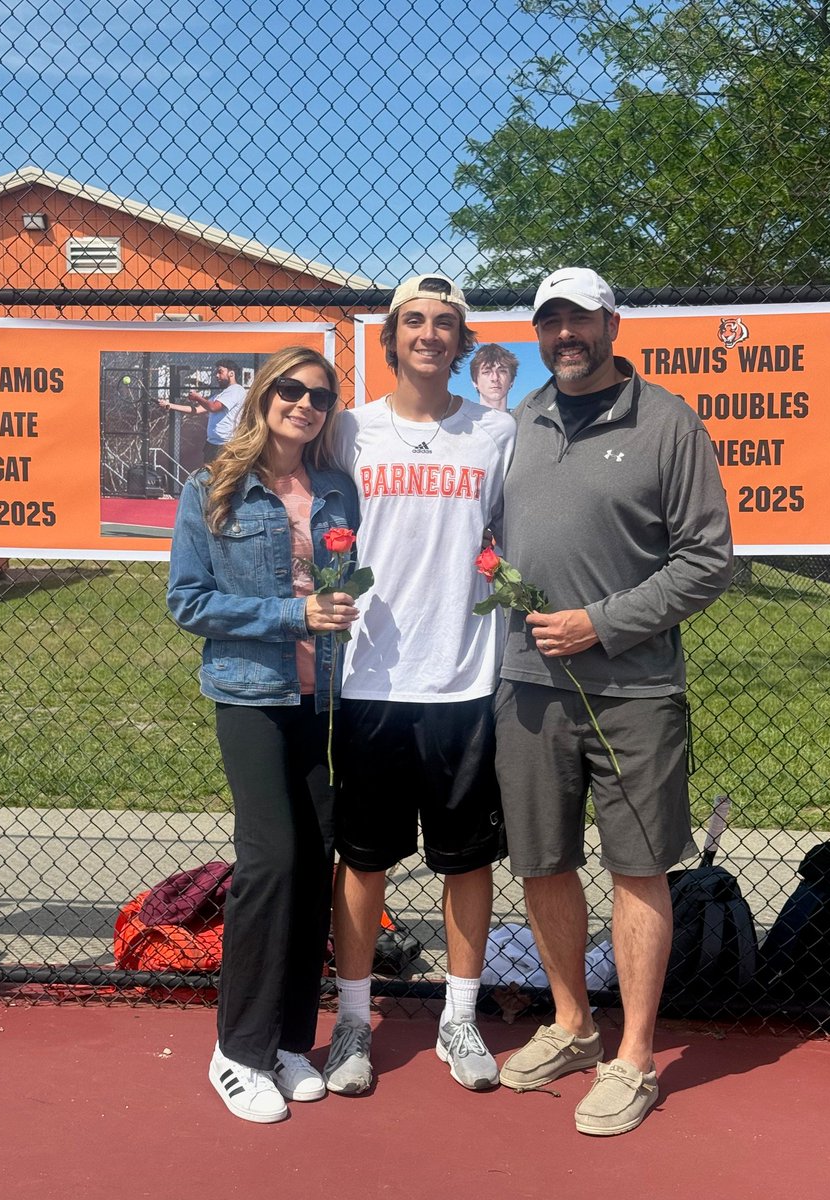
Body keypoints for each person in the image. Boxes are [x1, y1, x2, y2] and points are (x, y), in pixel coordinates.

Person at [495, 267, 734, 1135]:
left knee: (638, 865)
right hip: (525, 688)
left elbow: (708, 562)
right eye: (550, 321)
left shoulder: (668, 424)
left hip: (634, 690)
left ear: (613, 325)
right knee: (543, 860)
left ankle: (633, 1057)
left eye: (581, 320)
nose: (566, 335)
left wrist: (601, 623)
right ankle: (570, 1024)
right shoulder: (519, 423)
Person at [325, 274, 516, 1094]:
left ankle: (459, 1019)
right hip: (371, 679)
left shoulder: (497, 433)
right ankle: (355, 1024)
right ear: (391, 339)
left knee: (466, 860)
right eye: (415, 321)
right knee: (364, 860)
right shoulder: (346, 432)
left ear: (461, 341)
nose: (430, 334)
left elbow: (510, 532)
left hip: (466, 679)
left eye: (445, 323)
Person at [167, 346, 360, 1123]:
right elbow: (187, 600)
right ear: (261, 397)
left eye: (319, 395)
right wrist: (293, 615)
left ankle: (288, 1041)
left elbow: (347, 582)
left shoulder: (338, 489)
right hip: (250, 695)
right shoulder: (210, 488)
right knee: (271, 859)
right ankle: (236, 1052)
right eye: (289, 389)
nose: (303, 404)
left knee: (315, 863)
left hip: (325, 700)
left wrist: (345, 608)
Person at [185, 360, 247, 462]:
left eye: (220, 372)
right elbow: (196, 410)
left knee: (224, 476)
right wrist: (170, 405)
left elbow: (214, 407)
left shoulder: (236, 390)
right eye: (216, 373)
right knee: (210, 476)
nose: (217, 376)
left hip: (226, 446)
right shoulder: (220, 395)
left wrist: (197, 397)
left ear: (231, 373)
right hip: (212, 445)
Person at [469, 343, 519, 411]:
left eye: (502, 371)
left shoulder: (523, 420)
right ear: (474, 382)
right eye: (487, 372)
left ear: (512, 381)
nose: (495, 378)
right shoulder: (464, 421)